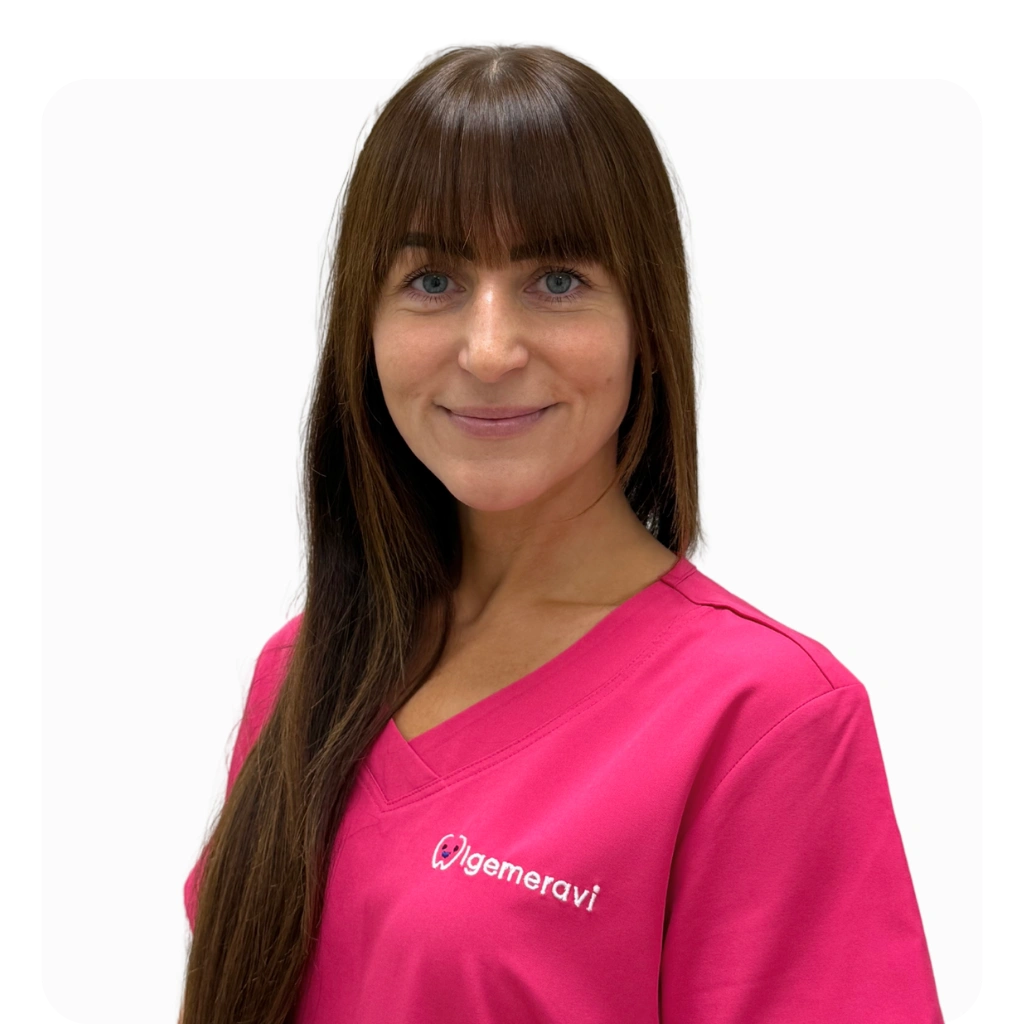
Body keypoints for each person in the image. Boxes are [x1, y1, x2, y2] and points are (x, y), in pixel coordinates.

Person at [179, 44, 945, 1024]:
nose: (489, 348)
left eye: (555, 280)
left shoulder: (766, 719)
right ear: (363, 328)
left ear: (645, 323)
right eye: (432, 280)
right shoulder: (302, 670)